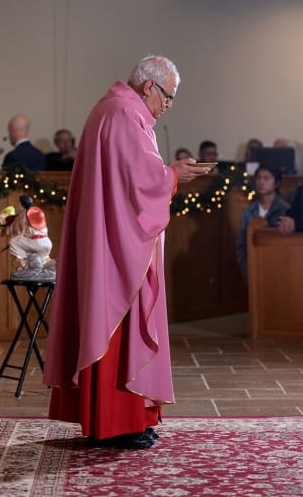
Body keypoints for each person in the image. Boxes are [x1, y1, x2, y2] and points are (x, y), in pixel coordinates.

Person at [43, 55, 211, 450]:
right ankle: (116, 423)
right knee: (119, 327)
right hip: (118, 248)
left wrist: (169, 174)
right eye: (168, 96)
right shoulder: (122, 113)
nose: (169, 105)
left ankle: (135, 418)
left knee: (128, 329)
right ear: (149, 86)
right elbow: (139, 183)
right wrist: (173, 175)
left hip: (117, 238)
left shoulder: (119, 109)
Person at [236, 164, 290, 277]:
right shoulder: (249, 211)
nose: (261, 182)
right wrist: (247, 271)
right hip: (253, 268)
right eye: (258, 178)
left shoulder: (285, 209)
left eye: (266, 178)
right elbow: (241, 245)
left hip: (279, 269)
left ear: (277, 183)